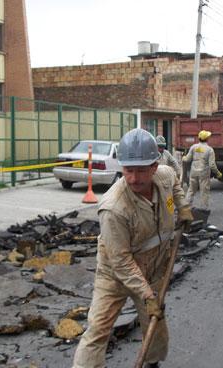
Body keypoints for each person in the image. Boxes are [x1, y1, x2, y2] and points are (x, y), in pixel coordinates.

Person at [72, 128, 193, 368]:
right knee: (98, 329)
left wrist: (183, 206)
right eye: (129, 171)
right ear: (122, 167)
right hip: (115, 274)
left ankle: (152, 361)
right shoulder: (114, 208)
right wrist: (147, 294)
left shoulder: (165, 175)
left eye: (141, 171)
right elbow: (121, 262)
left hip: (155, 265)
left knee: (155, 319)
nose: (135, 179)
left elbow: (175, 186)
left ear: (154, 167)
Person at [182, 130, 222, 209]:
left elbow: (187, 159)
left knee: (191, 190)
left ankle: (186, 207)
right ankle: (203, 209)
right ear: (207, 139)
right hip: (204, 173)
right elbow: (212, 165)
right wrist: (218, 173)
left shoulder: (194, 147)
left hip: (194, 172)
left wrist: (183, 157)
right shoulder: (209, 149)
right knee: (204, 191)